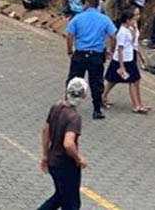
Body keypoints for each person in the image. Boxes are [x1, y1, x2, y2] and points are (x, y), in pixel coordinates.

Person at [38, 77, 88, 210]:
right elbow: (68, 144)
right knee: (72, 204)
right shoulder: (74, 117)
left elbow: (46, 130)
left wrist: (45, 155)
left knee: (60, 196)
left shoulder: (56, 107)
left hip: (53, 161)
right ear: (84, 96)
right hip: (66, 165)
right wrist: (79, 159)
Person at [66, 0, 116, 120]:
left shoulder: (78, 18)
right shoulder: (104, 19)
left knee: (74, 80)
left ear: (87, 3)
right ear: (97, 5)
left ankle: (69, 106)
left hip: (80, 54)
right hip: (96, 56)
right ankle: (97, 110)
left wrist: (70, 51)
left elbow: (69, 35)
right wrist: (110, 50)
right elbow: (113, 36)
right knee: (96, 83)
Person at [103, 9, 151, 114]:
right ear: (127, 20)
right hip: (123, 60)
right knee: (133, 81)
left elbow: (133, 42)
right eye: (133, 18)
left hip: (129, 57)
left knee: (117, 80)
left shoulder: (130, 29)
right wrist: (122, 66)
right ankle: (136, 105)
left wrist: (134, 30)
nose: (135, 20)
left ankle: (139, 103)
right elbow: (120, 49)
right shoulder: (122, 32)